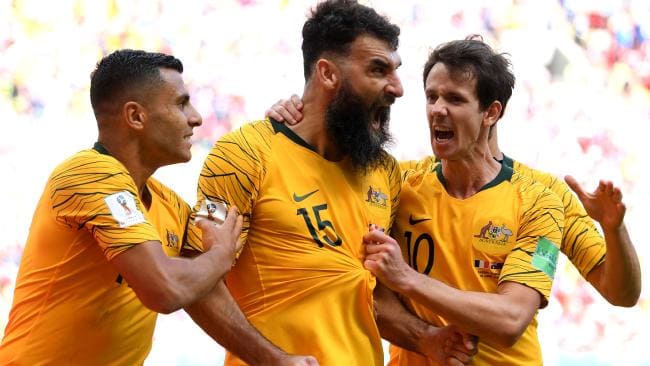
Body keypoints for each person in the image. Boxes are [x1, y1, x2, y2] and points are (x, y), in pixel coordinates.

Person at [188, 1, 477, 365]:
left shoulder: (383, 173)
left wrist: (426, 338)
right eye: (378, 69)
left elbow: (363, 290)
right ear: (326, 73)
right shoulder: (242, 155)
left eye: (395, 70)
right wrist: (273, 359)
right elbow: (199, 283)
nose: (398, 88)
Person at [0, 50, 244, 364]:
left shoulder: (170, 205)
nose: (196, 117)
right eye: (181, 103)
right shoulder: (88, 173)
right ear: (136, 116)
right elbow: (167, 288)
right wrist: (219, 256)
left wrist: (278, 129)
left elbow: (209, 273)